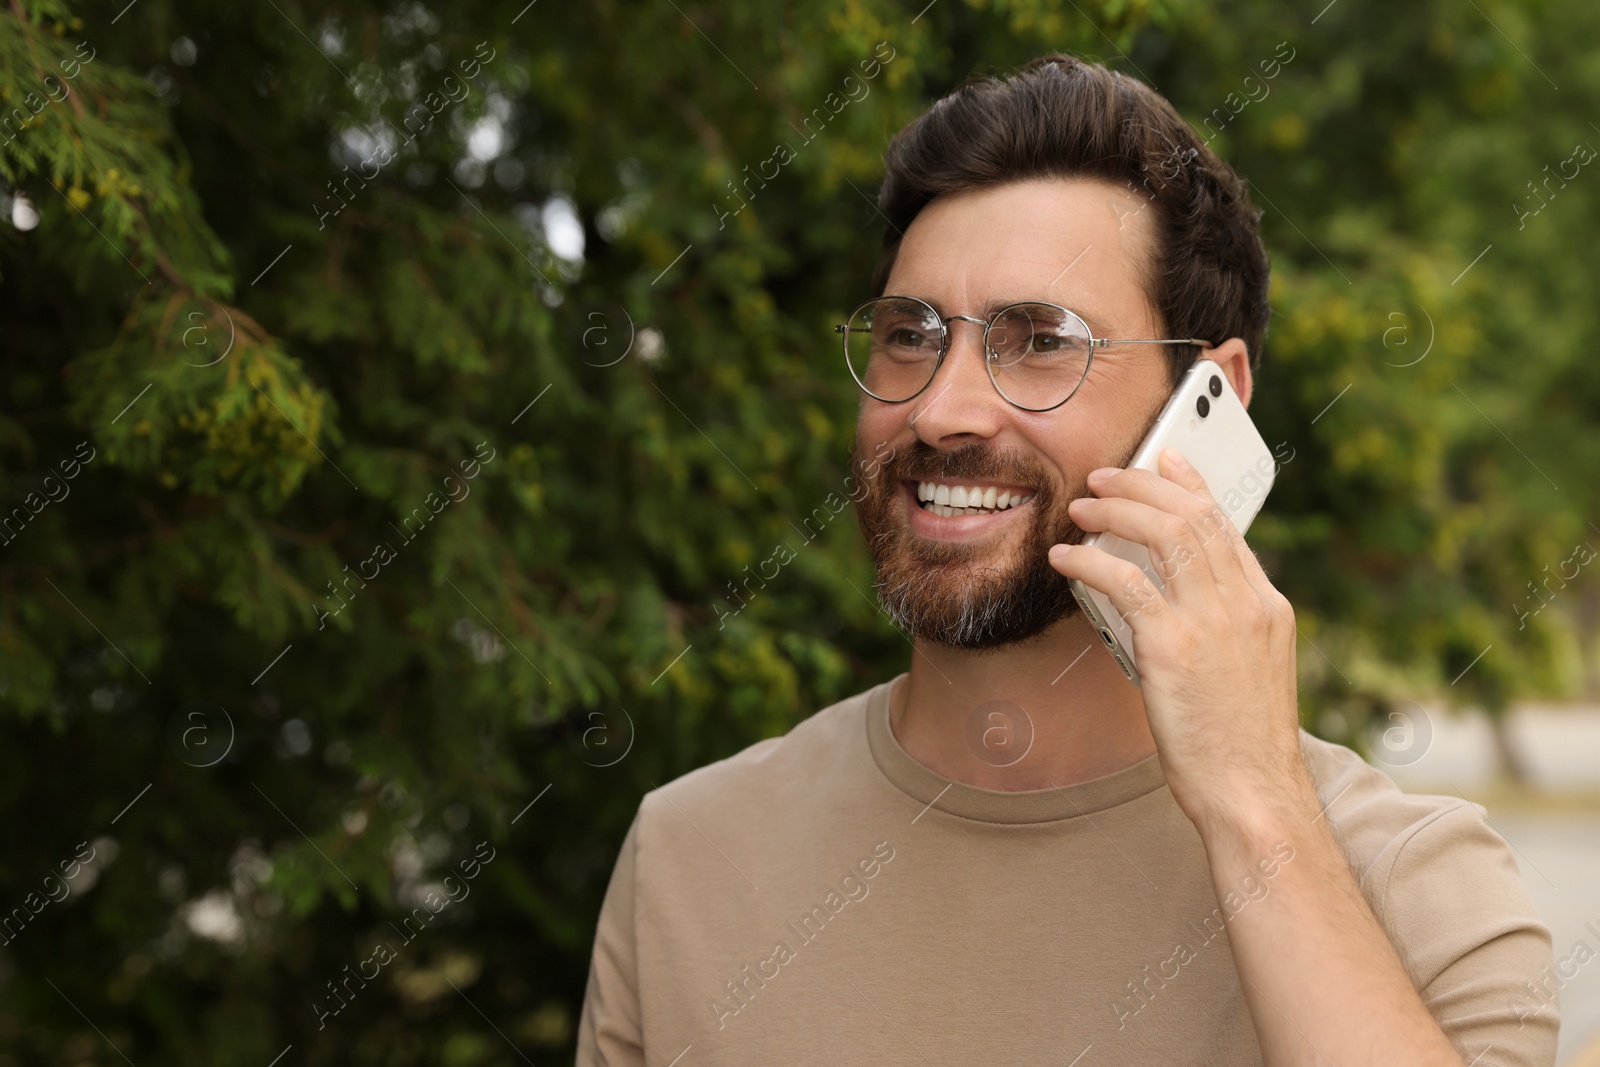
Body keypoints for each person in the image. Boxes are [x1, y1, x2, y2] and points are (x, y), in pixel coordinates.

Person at [576, 53, 1559, 1066]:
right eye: (909, 333)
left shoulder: (1417, 887)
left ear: (1204, 397)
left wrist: (1255, 811)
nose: (941, 408)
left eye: (1039, 339)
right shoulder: (686, 860)